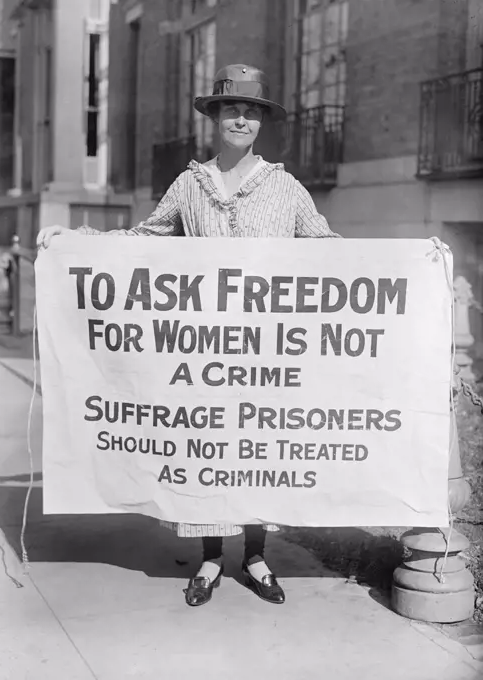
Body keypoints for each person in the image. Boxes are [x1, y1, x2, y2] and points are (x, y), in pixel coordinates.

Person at [38, 64, 342, 608]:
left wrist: (409, 264)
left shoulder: (286, 187)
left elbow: (327, 248)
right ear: (215, 118)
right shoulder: (190, 184)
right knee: (207, 450)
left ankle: (255, 556)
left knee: (257, 452)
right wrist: (75, 241)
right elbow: (142, 239)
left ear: (262, 121)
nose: (241, 119)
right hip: (202, 353)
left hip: (267, 352)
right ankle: (210, 558)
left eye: (251, 111)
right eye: (231, 110)